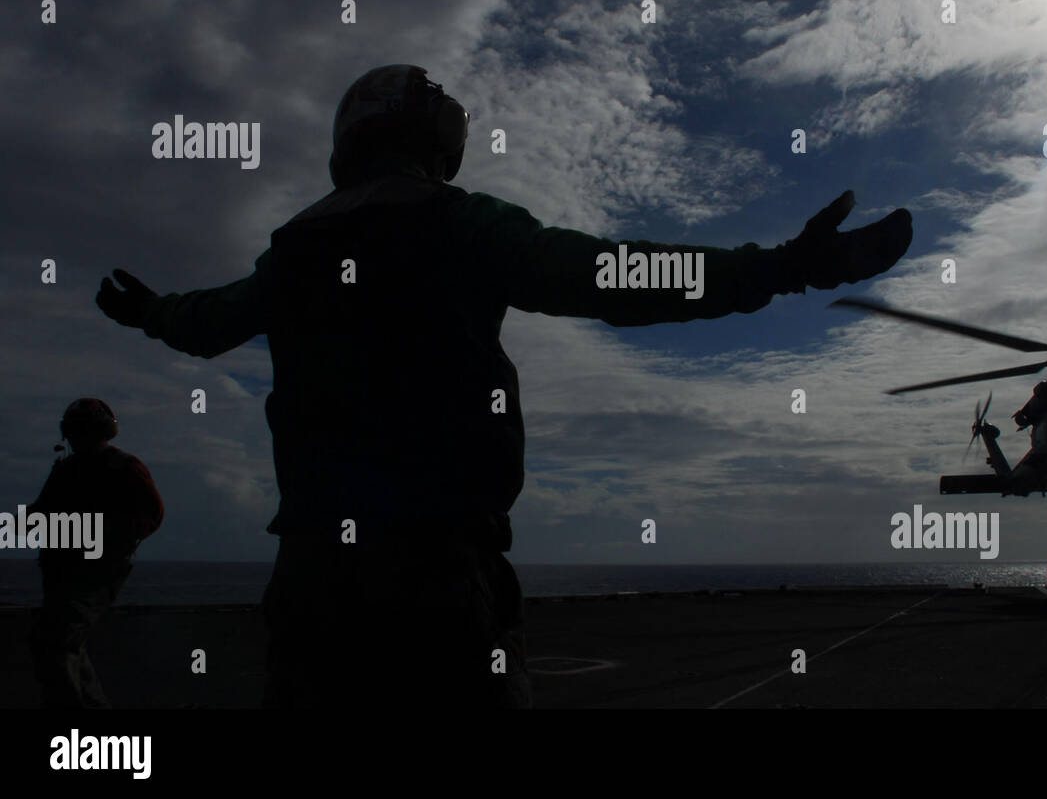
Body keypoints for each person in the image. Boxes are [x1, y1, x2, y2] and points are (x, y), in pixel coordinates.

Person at [95, 63, 913, 709]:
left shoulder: (292, 254)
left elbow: (205, 322)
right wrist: (779, 268)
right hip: (440, 577)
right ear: (435, 142)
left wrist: (150, 313)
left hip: (314, 582)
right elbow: (620, 277)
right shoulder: (462, 225)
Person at [27, 398, 165, 708]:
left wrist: (103, 538)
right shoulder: (67, 469)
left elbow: (150, 516)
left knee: (56, 642)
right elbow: (40, 512)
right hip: (62, 571)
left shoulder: (124, 467)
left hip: (94, 574)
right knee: (66, 644)